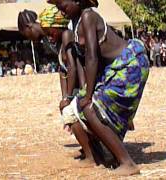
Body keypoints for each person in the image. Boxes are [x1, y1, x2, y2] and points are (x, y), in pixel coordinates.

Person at [52, 0, 150, 175]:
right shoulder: (74, 24)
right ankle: (103, 155)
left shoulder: (88, 16)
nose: (60, 9)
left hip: (129, 65)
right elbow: (82, 63)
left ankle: (127, 163)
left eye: (62, 5)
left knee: (90, 108)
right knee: (79, 109)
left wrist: (88, 95)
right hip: (115, 70)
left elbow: (92, 57)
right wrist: (84, 93)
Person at [18, 7, 105, 165]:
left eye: (26, 35)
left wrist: (69, 96)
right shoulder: (49, 38)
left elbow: (73, 65)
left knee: (74, 115)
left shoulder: (62, 34)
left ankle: (92, 155)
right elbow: (62, 68)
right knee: (73, 114)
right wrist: (64, 95)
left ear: (28, 27)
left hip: (84, 79)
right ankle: (93, 151)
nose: (30, 39)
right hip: (78, 82)